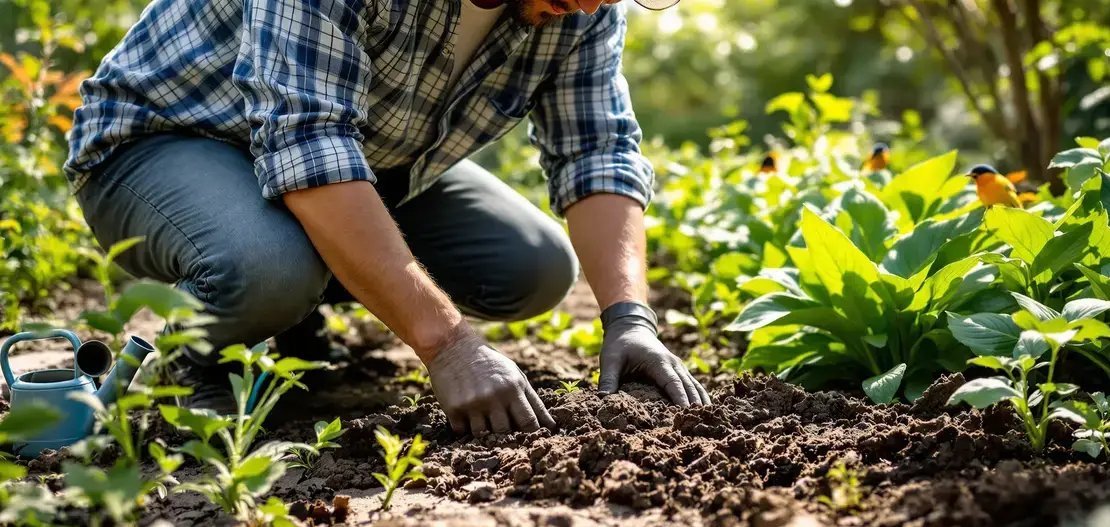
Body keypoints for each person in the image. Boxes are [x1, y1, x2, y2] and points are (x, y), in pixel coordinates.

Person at [63, 0, 710, 436]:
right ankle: (191, 365)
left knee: (529, 267)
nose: (596, 3)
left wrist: (631, 319)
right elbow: (306, 141)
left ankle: (293, 316)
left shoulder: (581, 10)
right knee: (266, 266)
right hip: (161, 141)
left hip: (357, 158)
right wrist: (448, 344)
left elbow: (595, 148)